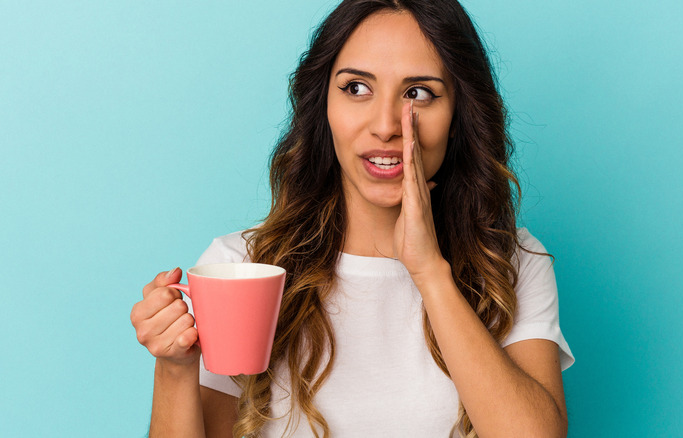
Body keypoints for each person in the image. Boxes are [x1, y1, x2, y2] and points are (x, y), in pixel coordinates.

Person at [130, 0, 574, 437]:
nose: (385, 126)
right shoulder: (241, 266)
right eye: (357, 88)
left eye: (418, 92)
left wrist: (429, 272)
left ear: (458, 115)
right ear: (323, 106)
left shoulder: (513, 262)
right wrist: (174, 367)